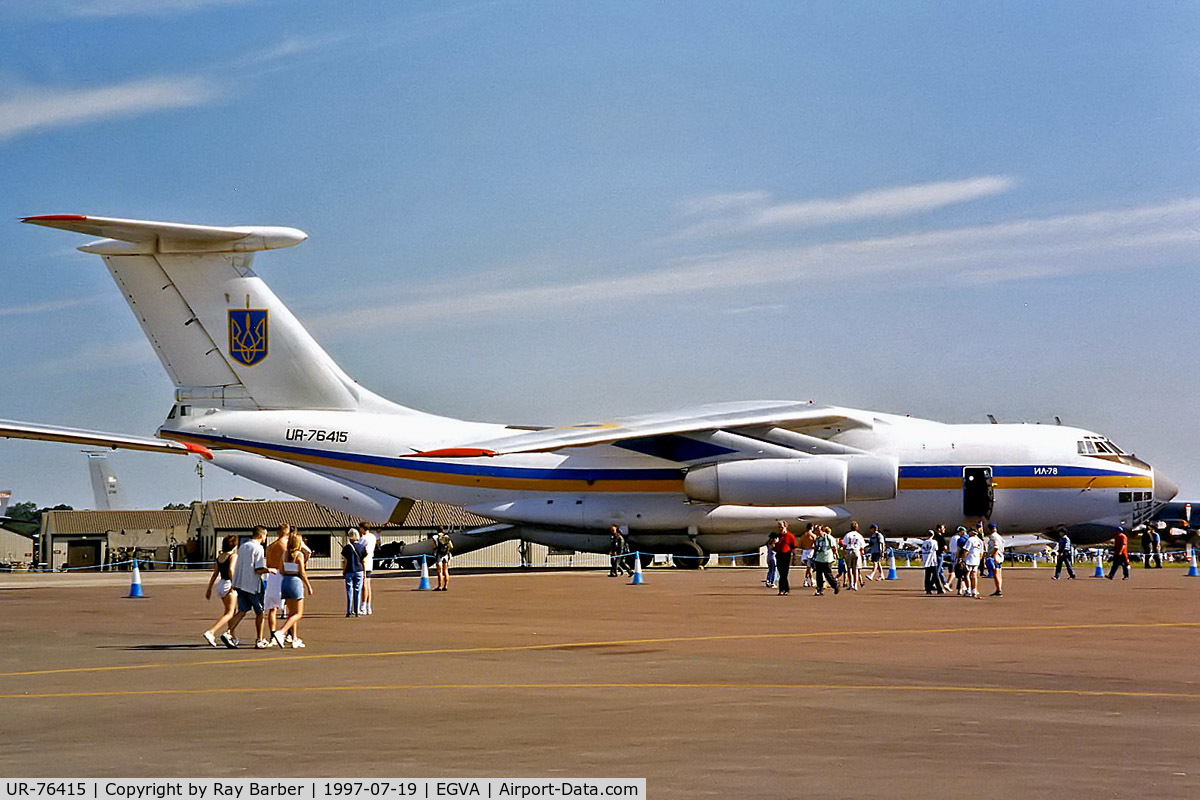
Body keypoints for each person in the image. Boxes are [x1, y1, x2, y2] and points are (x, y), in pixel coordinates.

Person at [227, 526, 270, 648]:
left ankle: (228, 632)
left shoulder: (243, 546)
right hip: (253, 585)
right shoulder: (259, 548)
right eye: (265, 536)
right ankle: (259, 639)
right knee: (260, 612)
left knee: (242, 610)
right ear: (261, 536)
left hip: (241, 583)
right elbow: (258, 569)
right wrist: (269, 570)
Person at [270, 532, 314, 648]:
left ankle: (294, 638)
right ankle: (282, 632)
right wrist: (308, 586)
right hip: (295, 581)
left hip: (285, 581)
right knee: (298, 613)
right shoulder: (299, 555)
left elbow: (281, 569)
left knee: (291, 612)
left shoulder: (285, 554)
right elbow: (302, 572)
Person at [203, 534, 239, 647]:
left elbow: (215, 574)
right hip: (229, 583)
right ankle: (211, 632)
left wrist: (209, 589)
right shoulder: (233, 556)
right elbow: (231, 570)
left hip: (221, 583)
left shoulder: (220, 557)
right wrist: (234, 585)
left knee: (230, 611)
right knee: (230, 612)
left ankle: (232, 634)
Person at [263, 524, 291, 645]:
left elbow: (269, 563)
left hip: (271, 577)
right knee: (291, 606)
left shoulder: (270, 547)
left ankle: (272, 635)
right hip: (281, 576)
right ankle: (290, 634)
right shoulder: (285, 547)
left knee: (272, 609)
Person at [811, 526, 840, 596]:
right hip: (819, 559)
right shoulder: (817, 539)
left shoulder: (829, 537)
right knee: (819, 575)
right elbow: (815, 548)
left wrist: (835, 555)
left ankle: (835, 585)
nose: (816, 532)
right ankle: (819, 589)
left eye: (818, 530)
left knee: (827, 574)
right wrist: (813, 557)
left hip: (827, 558)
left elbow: (834, 547)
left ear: (822, 530)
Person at [342, 528, 364, 617]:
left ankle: (349, 610)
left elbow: (345, 560)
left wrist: (343, 570)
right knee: (357, 590)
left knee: (349, 590)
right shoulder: (361, 547)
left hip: (349, 570)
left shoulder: (347, 547)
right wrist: (364, 571)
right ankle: (357, 610)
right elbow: (364, 560)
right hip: (359, 570)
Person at [771, 521, 796, 595]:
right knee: (781, 573)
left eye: (781, 527)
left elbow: (793, 546)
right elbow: (774, 547)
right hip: (779, 555)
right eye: (779, 527)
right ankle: (785, 589)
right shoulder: (777, 536)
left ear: (785, 526)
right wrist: (773, 545)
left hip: (786, 555)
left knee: (784, 573)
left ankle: (783, 589)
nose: (780, 529)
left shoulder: (790, 536)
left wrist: (794, 558)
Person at [359, 523, 377, 614]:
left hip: (364, 562)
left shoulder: (363, 538)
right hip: (370, 562)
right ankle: (368, 607)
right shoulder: (373, 537)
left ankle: (363, 606)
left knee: (364, 585)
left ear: (363, 529)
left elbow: (358, 548)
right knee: (368, 585)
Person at [841, 523, 865, 591]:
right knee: (856, 569)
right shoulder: (859, 535)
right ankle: (855, 584)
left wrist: (843, 554)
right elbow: (862, 547)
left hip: (849, 551)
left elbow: (844, 545)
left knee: (849, 568)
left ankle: (850, 584)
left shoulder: (847, 535)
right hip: (856, 550)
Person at [919, 530, 944, 595]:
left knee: (927, 576)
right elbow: (936, 549)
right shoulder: (934, 542)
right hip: (932, 560)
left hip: (926, 560)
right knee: (935, 576)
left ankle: (928, 589)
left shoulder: (924, 542)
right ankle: (939, 589)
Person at [962, 526, 984, 598]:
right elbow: (981, 553)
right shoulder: (980, 541)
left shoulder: (970, 540)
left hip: (969, 559)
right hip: (976, 560)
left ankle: (968, 590)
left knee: (967, 575)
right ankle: (974, 590)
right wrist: (979, 560)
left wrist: (961, 558)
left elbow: (966, 550)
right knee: (974, 575)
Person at [986, 522, 1005, 597]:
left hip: (996, 557)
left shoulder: (993, 537)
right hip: (1000, 556)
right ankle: (999, 588)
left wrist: (991, 555)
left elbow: (996, 547)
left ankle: (998, 589)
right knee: (999, 573)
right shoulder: (999, 536)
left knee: (996, 573)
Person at [797, 523, 817, 588]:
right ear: (812, 528)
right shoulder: (813, 536)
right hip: (811, 552)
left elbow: (799, 545)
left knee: (809, 567)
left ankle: (811, 580)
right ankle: (806, 581)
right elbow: (816, 545)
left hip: (805, 552)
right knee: (809, 567)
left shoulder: (803, 536)